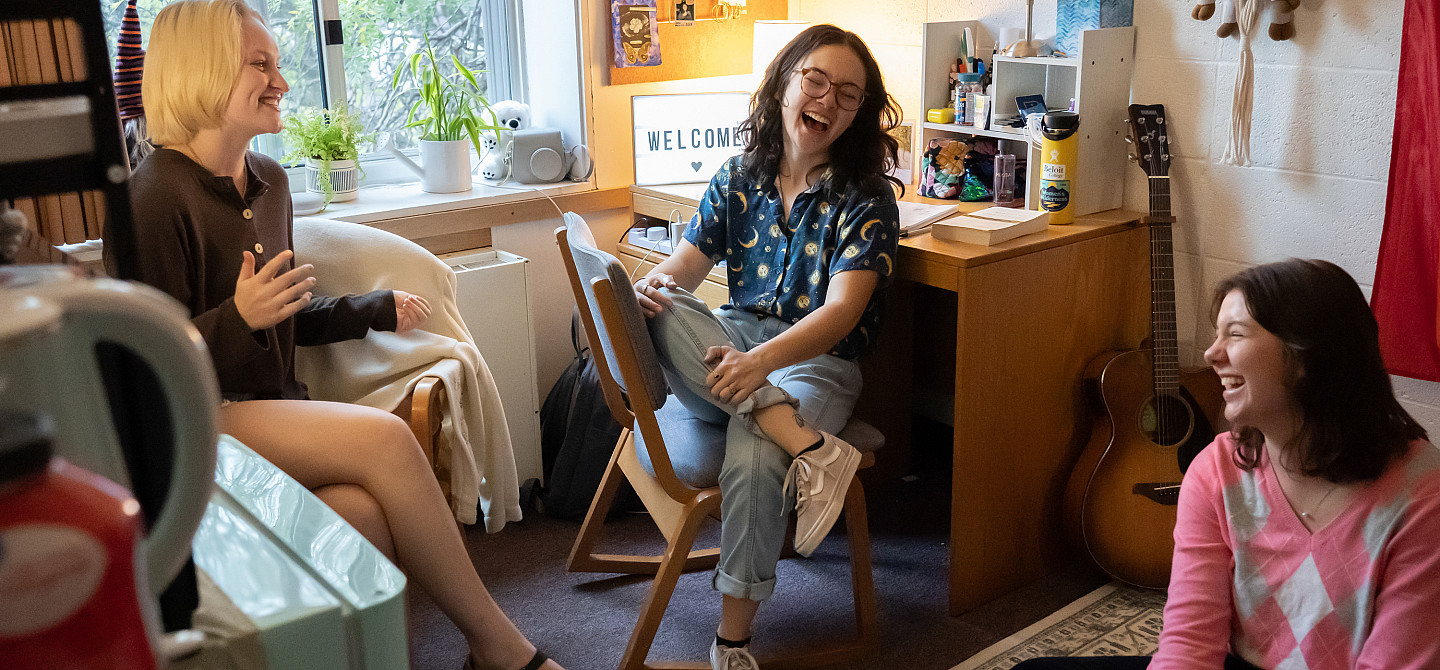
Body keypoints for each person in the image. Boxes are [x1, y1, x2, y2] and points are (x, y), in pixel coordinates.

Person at [101, 2, 560, 669]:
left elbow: (287, 312)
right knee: (386, 438)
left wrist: (373, 309)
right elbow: (145, 372)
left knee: (364, 521)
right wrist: (238, 320)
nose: (281, 82)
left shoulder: (270, 183)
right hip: (196, 426)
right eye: (260, 64)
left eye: (278, 64)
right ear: (202, 71)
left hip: (272, 411)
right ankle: (497, 646)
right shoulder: (153, 198)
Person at [631, 24, 902, 670]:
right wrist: (650, 287)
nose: (828, 100)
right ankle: (813, 450)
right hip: (735, 345)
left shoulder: (867, 197)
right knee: (669, 306)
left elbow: (842, 314)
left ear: (859, 113)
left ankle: (732, 644)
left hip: (817, 363)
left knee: (756, 448)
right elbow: (685, 271)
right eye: (815, 80)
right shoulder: (739, 176)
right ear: (784, 82)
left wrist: (760, 366)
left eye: (848, 94)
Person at [1014, 258, 1439, 670]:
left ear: (1307, 357)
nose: (1211, 354)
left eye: (1234, 335)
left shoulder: (1423, 496)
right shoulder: (1216, 468)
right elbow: (1190, 645)